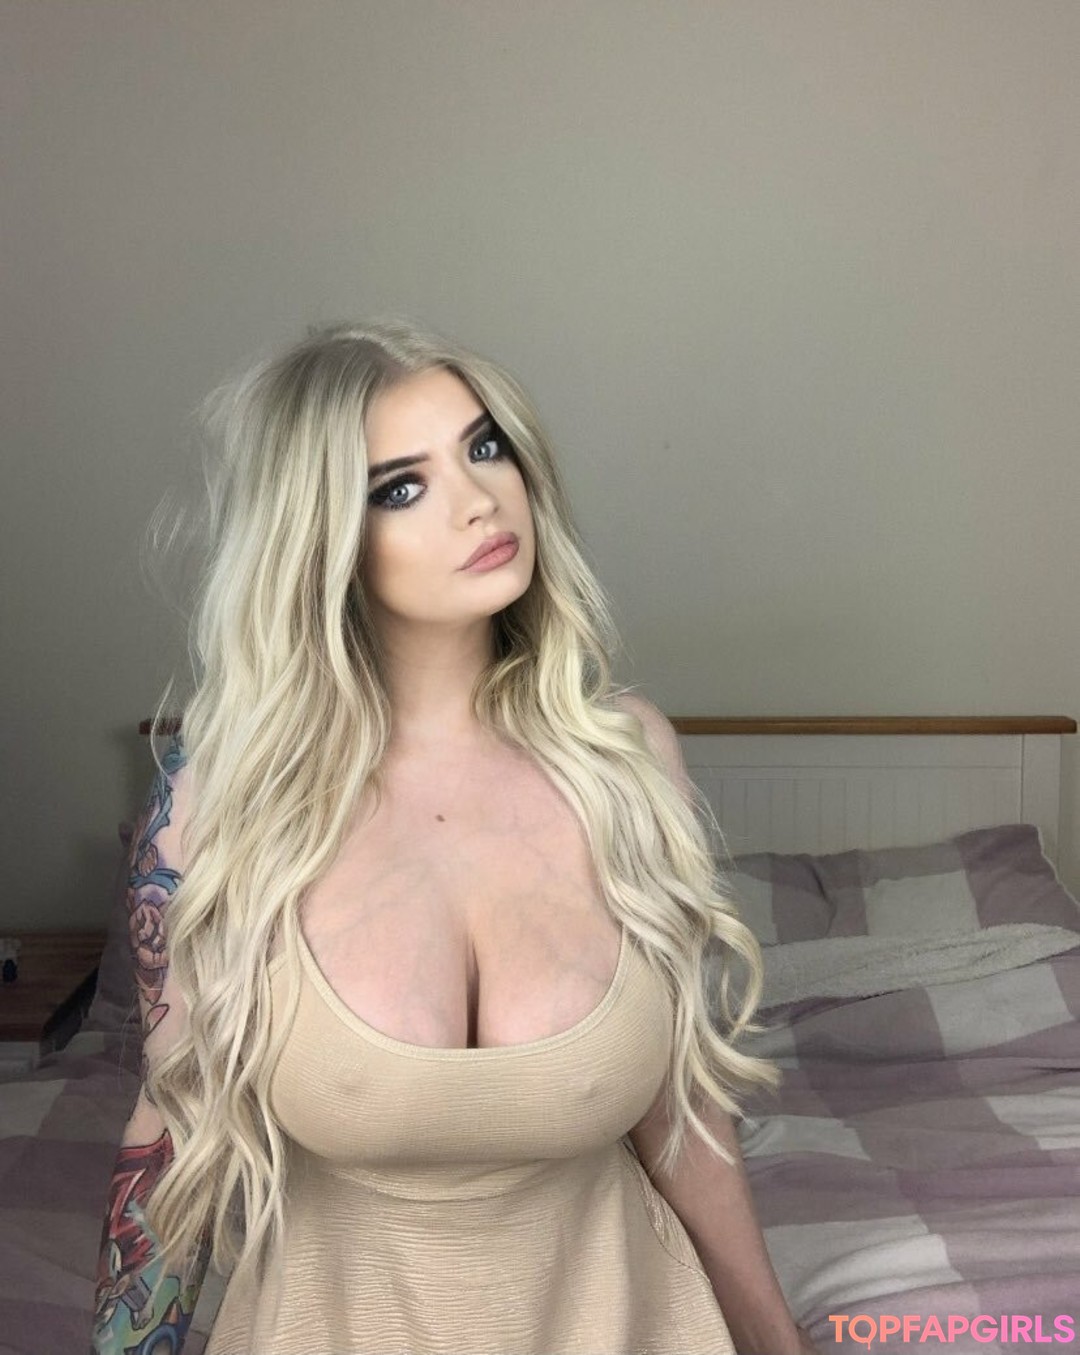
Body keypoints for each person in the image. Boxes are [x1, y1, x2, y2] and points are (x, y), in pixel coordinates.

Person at [90, 320, 819, 1354]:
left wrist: (778, 1342)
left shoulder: (623, 757)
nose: (479, 498)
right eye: (401, 486)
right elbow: (172, 1132)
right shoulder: (218, 803)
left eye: (484, 446)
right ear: (322, 539)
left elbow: (680, 1117)